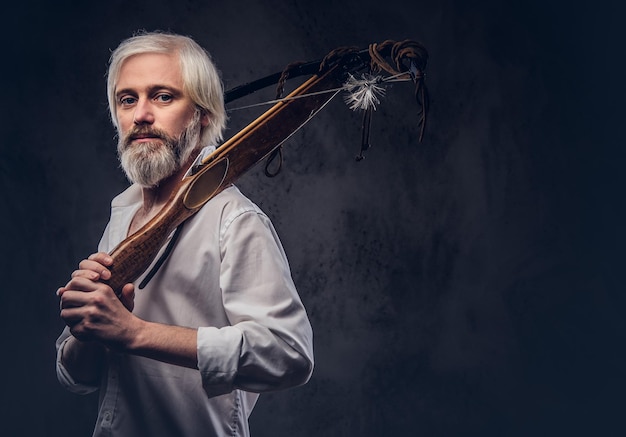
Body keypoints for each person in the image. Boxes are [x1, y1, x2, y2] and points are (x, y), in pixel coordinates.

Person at [55, 31, 314, 437]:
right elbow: (78, 377)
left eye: (162, 96)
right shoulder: (121, 218)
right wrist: (89, 327)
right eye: (128, 99)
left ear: (203, 115)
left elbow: (289, 354)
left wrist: (135, 332)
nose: (141, 114)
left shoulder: (234, 219)